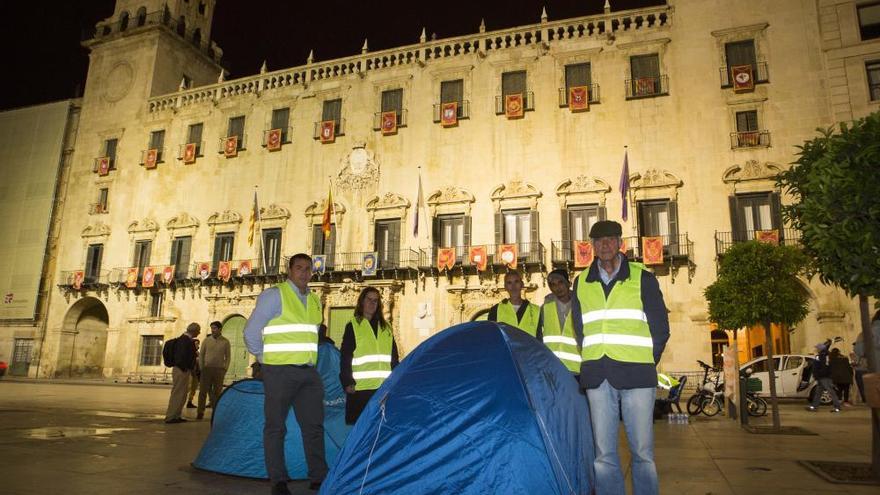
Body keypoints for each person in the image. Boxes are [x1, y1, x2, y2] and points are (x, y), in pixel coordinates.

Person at [571, 220, 669, 495]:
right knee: (603, 455)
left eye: (610, 239)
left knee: (643, 453)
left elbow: (660, 327)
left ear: (620, 243)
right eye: (598, 241)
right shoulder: (581, 283)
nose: (604, 245)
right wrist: (590, 357)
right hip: (598, 375)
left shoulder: (643, 278)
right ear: (591, 246)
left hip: (637, 375)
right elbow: (580, 329)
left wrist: (646, 360)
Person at [244, 253, 328, 494]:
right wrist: (264, 360)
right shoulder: (274, 295)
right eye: (299, 268)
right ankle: (278, 480)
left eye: (308, 268)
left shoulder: (314, 300)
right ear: (289, 271)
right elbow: (250, 332)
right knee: (276, 427)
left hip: (309, 373)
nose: (304, 272)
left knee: (314, 426)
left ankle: (319, 477)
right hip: (279, 372)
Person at [339, 287, 400, 424]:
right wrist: (347, 381)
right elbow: (345, 357)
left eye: (376, 301)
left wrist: (396, 380)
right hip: (360, 389)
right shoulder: (353, 326)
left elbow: (394, 359)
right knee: (361, 430)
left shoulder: (386, 328)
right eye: (369, 299)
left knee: (381, 428)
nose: (372, 303)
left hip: (383, 389)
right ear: (362, 302)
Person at [541, 268, 581, 379]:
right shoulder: (545, 307)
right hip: (553, 369)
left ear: (568, 283)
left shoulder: (580, 305)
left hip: (577, 369)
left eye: (560, 282)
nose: (557, 287)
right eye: (553, 285)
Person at [487, 270, 542, 338]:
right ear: (505, 287)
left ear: (522, 284)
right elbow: (492, 337)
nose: (513, 286)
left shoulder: (536, 310)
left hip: (530, 349)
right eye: (509, 283)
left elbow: (540, 339)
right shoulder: (495, 310)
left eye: (516, 281)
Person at [165, 322, 200, 424]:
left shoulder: (186, 340)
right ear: (194, 331)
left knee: (182, 394)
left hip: (183, 370)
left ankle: (176, 415)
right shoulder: (185, 341)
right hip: (181, 370)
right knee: (178, 393)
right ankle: (171, 416)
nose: (199, 332)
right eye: (198, 331)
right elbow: (181, 357)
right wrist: (185, 368)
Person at [197, 320, 231, 419]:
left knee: (217, 392)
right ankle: (200, 412)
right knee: (203, 392)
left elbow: (228, 356)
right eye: (212, 328)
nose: (213, 330)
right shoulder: (206, 341)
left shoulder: (225, 342)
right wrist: (201, 367)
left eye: (215, 328)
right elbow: (202, 354)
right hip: (206, 369)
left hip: (219, 370)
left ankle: (216, 412)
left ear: (220, 329)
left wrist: (225, 368)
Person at [806, 340, 842, 413]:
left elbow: (820, 366)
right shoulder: (826, 356)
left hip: (824, 377)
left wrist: (818, 375)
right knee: (818, 392)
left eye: (817, 348)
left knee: (830, 391)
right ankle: (814, 406)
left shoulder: (820, 357)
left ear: (820, 349)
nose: (816, 349)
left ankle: (837, 406)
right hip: (823, 376)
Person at [186, 339, 201, 409]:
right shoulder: (189, 352)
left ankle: (189, 402)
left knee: (193, 389)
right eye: (196, 343)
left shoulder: (198, 353)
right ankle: (182, 401)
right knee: (188, 388)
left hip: (196, 374)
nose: (197, 345)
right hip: (190, 373)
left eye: (198, 344)